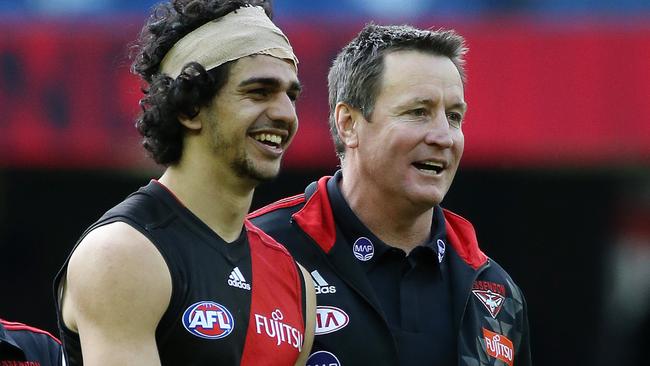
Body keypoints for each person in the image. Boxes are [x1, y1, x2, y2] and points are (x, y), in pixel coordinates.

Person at [250, 23, 532, 366]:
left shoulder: (496, 291)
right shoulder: (259, 251)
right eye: (418, 112)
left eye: (454, 116)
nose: (444, 136)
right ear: (348, 123)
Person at [53, 1, 315, 365]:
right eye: (259, 91)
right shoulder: (125, 253)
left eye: (292, 95)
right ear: (189, 108)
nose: (286, 113)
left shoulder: (295, 279)